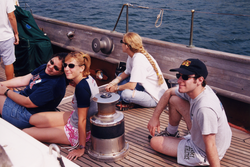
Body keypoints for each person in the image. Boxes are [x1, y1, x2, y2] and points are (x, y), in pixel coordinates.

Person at [147, 58, 232, 166]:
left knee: (154, 142)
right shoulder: (198, 90)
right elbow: (168, 92)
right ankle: (171, 133)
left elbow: (210, 146)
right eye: (179, 76)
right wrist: (155, 117)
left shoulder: (205, 109)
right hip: (213, 139)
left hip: (204, 151)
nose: (179, 81)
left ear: (200, 80)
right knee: (174, 99)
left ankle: (186, 142)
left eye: (185, 77)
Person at [23, 52, 99, 161]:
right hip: (75, 117)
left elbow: (82, 120)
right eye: (65, 65)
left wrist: (81, 148)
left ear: (82, 68)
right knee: (33, 119)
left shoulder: (82, 88)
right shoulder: (87, 77)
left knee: (26, 132)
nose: (66, 69)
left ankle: (78, 140)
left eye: (71, 66)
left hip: (77, 129)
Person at [0, 52, 68, 129]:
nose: (51, 67)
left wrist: (6, 91)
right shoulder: (45, 68)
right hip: (22, 99)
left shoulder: (53, 85)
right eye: (51, 62)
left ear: (62, 72)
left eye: (56, 68)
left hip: (25, 115)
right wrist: (1, 84)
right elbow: (23, 80)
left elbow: (27, 103)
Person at [105, 32, 168, 109]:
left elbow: (132, 86)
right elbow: (126, 73)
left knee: (126, 94)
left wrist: (116, 88)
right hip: (144, 87)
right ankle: (126, 100)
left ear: (127, 46)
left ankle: (126, 100)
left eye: (122, 42)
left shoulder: (139, 59)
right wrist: (111, 83)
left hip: (154, 98)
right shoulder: (132, 56)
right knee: (120, 77)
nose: (121, 44)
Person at [0, 0, 19, 80]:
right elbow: (11, 16)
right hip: (5, 35)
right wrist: (16, 33)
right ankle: (9, 88)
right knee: (8, 63)